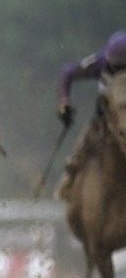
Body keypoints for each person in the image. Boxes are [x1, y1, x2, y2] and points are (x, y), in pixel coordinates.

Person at [54, 30, 126, 198]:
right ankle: (70, 179)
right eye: (117, 67)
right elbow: (68, 72)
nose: (120, 72)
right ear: (109, 62)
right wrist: (64, 103)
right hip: (104, 119)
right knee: (81, 147)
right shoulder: (100, 62)